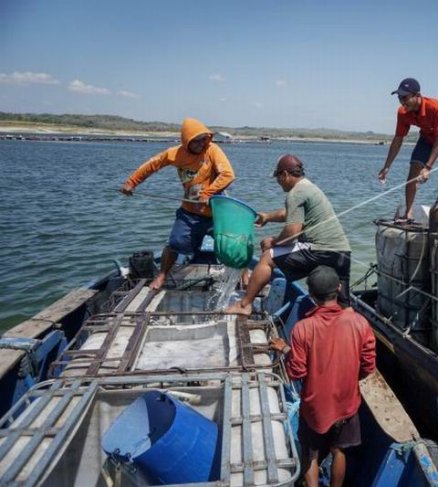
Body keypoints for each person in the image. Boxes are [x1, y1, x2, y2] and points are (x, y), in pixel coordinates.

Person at [269, 265, 376, 487]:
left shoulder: (303, 328)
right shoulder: (359, 323)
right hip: (347, 403)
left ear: (310, 295)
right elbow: (368, 366)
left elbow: (296, 371)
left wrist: (286, 350)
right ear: (338, 288)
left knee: (312, 455)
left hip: (315, 408)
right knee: (339, 451)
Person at [226, 154, 351, 316]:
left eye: (278, 177)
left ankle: (244, 305)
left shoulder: (295, 193)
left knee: (266, 258)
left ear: (284, 174)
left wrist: (274, 242)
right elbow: (290, 214)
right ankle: (353, 329)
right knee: (344, 305)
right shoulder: (310, 188)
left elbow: (292, 233)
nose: (278, 182)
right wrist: (268, 217)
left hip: (320, 250)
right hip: (343, 253)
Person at [120, 118, 235, 290]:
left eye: (205, 138)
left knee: (233, 245)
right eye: (197, 140)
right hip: (190, 212)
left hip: (217, 212)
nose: (202, 143)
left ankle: (244, 275)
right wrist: (131, 182)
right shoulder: (175, 154)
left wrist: (207, 193)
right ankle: (162, 275)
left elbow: (227, 174)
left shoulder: (213, 150)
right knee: (175, 243)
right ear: (187, 141)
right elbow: (152, 164)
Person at [377, 77, 438, 220]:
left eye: (405, 97)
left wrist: (428, 168)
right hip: (426, 139)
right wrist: (387, 166)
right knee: (414, 171)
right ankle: (408, 213)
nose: (402, 102)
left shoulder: (435, 106)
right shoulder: (403, 112)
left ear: (417, 95)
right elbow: (398, 139)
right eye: (399, 98)